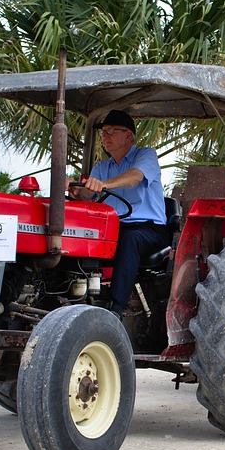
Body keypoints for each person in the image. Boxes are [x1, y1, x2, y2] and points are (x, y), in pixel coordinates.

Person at [69, 110, 168, 318]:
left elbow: (135, 177)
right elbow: (89, 195)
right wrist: (77, 190)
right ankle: (73, 296)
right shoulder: (101, 167)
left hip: (148, 229)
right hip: (113, 228)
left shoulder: (145, 155)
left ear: (128, 135)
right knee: (76, 237)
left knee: (130, 239)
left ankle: (115, 308)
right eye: (103, 132)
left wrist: (103, 185)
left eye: (111, 131)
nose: (105, 137)